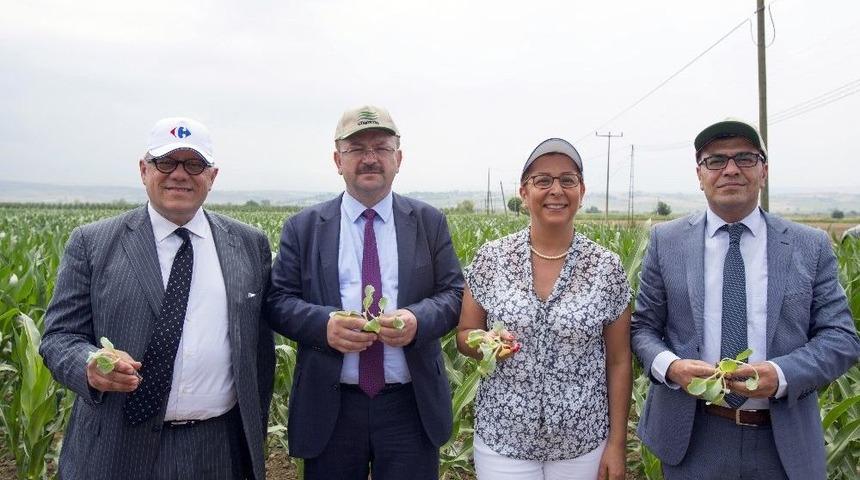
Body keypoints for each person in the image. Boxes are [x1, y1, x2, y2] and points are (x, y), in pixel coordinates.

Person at [40, 117, 275, 480]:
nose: (179, 174)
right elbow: (58, 337)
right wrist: (89, 364)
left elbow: (260, 351)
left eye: (194, 164)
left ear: (212, 176)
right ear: (144, 170)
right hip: (117, 447)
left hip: (218, 448)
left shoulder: (249, 244)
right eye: (166, 162)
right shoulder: (93, 242)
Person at [631, 118, 860, 480]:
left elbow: (842, 338)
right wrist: (671, 367)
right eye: (716, 161)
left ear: (763, 171)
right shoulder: (667, 242)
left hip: (782, 441)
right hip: (693, 437)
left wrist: (782, 374)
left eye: (745, 158)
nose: (731, 170)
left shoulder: (809, 245)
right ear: (699, 174)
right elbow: (643, 328)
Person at [266, 105, 463, 479]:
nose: (370, 158)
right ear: (337, 159)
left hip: (410, 407)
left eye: (381, 147)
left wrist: (416, 320)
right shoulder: (304, 228)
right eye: (356, 149)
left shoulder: (429, 222)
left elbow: (453, 294)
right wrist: (324, 325)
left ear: (398, 158)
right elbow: (277, 301)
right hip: (332, 406)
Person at [456, 138, 633, 480]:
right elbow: (465, 336)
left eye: (568, 180)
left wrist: (616, 444)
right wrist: (487, 343)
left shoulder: (606, 267)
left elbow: (619, 360)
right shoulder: (491, 259)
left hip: (582, 441)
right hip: (503, 440)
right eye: (543, 181)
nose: (556, 190)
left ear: (581, 191)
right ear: (524, 192)